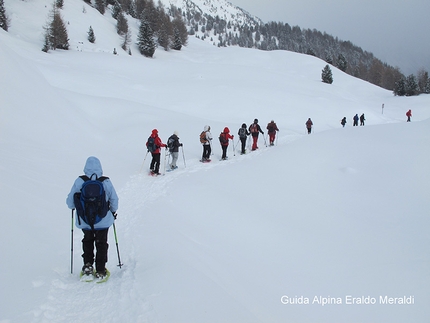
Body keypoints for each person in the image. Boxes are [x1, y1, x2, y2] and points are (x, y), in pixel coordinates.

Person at [66, 156, 119, 279]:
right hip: (103, 219)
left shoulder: (80, 181)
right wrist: (113, 212)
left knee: (87, 241)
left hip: (85, 220)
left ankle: (88, 266)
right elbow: (114, 199)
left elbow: (70, 202)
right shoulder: (105, 181)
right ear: (100, 168)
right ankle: (100, 270)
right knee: (102, 243)